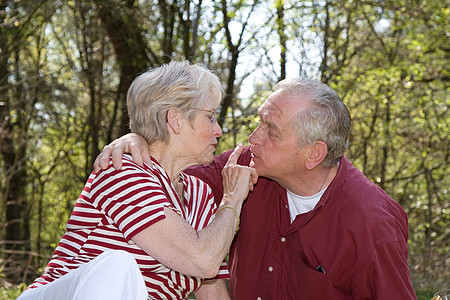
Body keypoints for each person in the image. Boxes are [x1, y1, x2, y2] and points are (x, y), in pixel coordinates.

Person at [95, 78, 418, 299]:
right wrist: (139, 141)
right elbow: (171, 173)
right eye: (259, 121)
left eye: (271, 131)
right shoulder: (246, 165)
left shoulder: (371, 225)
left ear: (313, 154)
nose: (254, 138)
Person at [18, 61, 257, 300]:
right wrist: (233, 196)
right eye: (211, 117)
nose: (219, 130)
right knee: (118, 267)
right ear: (176, 119)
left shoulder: (199, 193)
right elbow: (202, 259)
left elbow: (211, 286)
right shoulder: (121, 170)